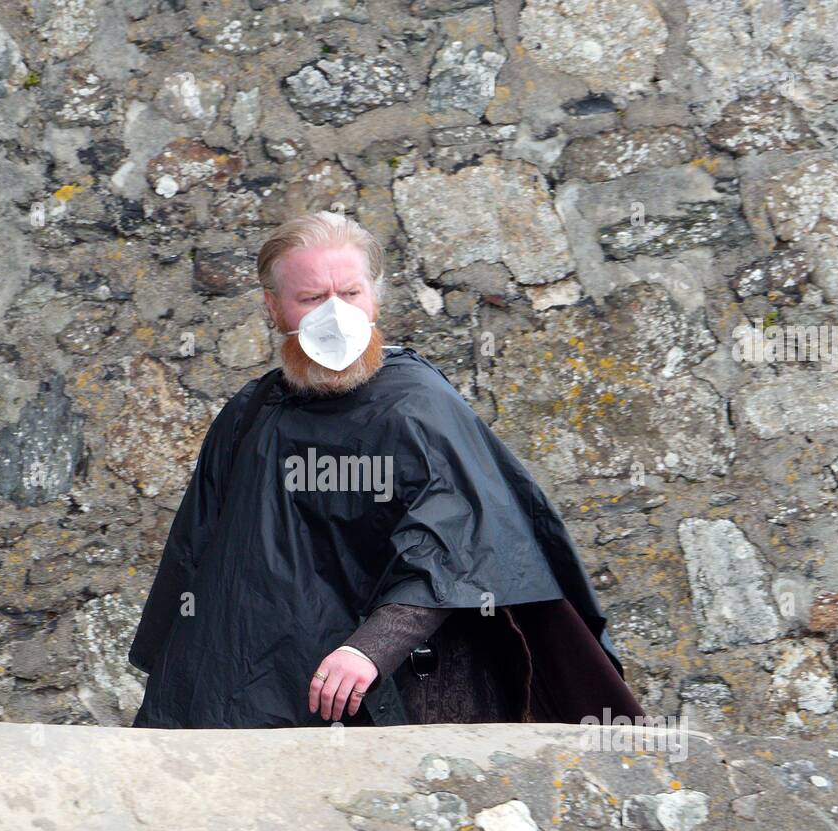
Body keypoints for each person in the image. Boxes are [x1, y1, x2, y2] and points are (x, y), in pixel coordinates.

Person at [128, 211, 644, 728]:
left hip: (404, 693)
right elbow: (201, 556)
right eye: (310, 299)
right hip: (263, 688)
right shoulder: (251, 415)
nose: (334, 314)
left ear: (374, 297)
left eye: (349, 294)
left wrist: (371, 648)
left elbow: (453, 547)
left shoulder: (417, 406)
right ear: (273, 307)